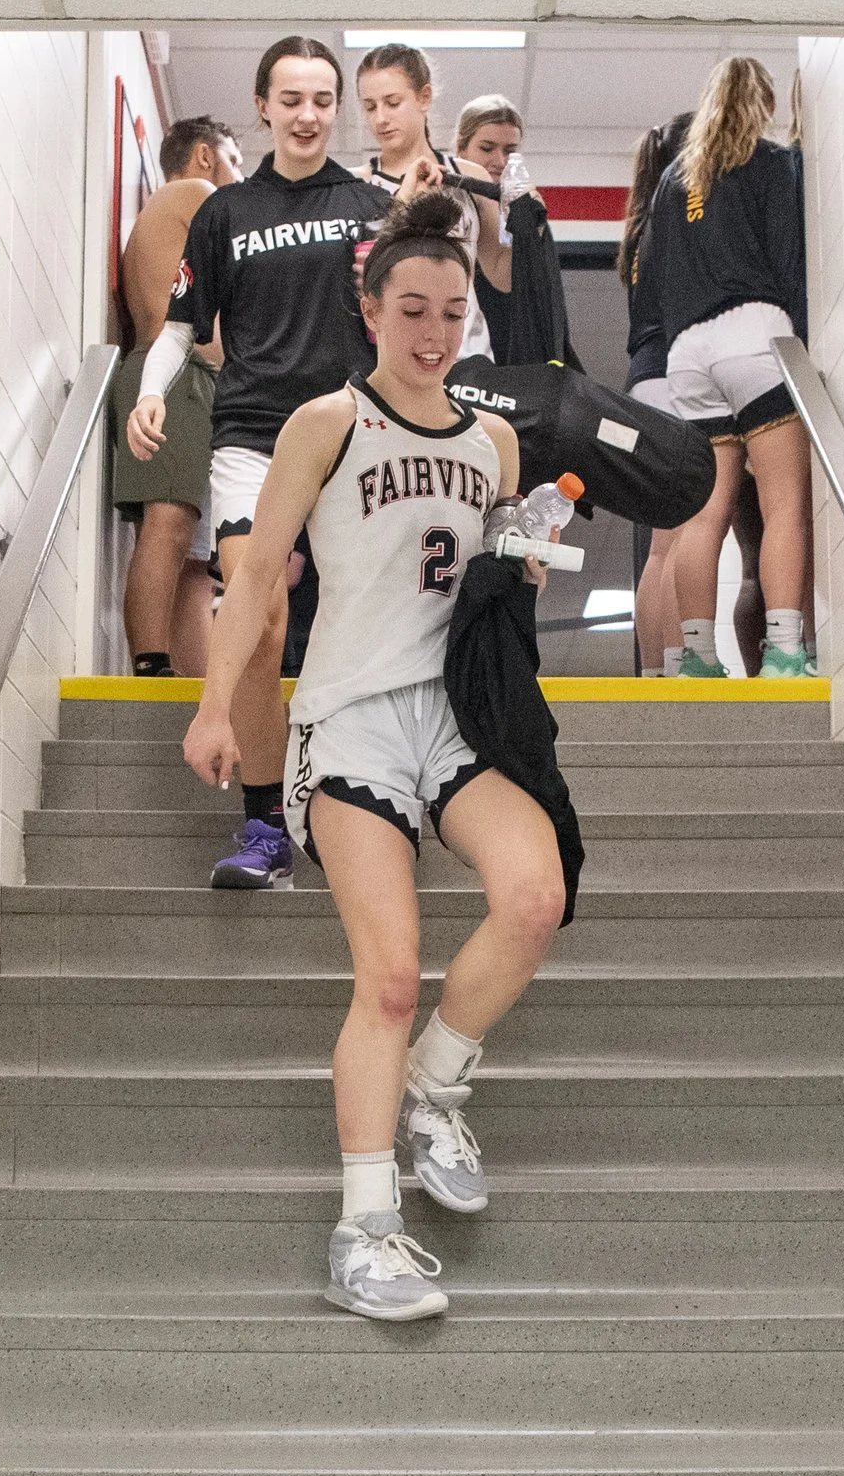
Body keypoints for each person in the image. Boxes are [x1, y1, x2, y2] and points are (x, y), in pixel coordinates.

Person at [182, 191, 565, 1323]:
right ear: (371, 309)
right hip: (348, 716)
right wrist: (214, 707)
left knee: (534, 896)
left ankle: (436, 1086)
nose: (433, 332)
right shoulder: (325, 422)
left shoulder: (495, 441)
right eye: (412, 310)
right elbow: (257, 575)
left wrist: (526, 554)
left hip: (456, 716)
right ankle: (363, 1230)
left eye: (451, 311)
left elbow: (496, 580)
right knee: (390, 976)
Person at [128, 36, 391, 890]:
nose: (307, 115)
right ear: (263, 106)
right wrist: (151, 393)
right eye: (291, 99)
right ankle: (266, 825)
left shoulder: (371, 206)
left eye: (322, 100)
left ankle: (373, 802)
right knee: (260, 618)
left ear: (336, 108)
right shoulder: (224, 212)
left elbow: (415, 322)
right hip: (249, 437)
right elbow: (179, 328)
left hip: (350, 434)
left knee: (367, 626)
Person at [642, 57, 814, 678]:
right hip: (754, 336)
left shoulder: (672, 181)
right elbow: (790, 260)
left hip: (687, 354)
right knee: (784, 504)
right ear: (763, 104)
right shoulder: (773, 163)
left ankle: (696, 656)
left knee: (704, 514)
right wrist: (804, 341)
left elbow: (656, 278)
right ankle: (784, 652)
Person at [113, 114, 241, 676]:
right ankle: (150, 664)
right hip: (176, 378)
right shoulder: (195, 192)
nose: (240, 176)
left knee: (194, 557)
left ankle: (191, 684)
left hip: (196, 383)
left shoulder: (167, 217)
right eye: (235, 160)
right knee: (169, 522)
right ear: (206, 156)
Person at [356, 44, 508, 366]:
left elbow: (501, 274)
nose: (380, 118)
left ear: (424, 97)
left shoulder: (470, 177)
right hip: (389, 362)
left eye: (392, 103)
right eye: (370, 107)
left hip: (465, 358)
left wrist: (526, 225)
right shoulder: (354, 184)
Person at [621, 111, 692, 674]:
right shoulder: (680, 220)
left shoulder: (641, 227)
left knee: (661, 544)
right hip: (673, 376)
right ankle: (675, 666)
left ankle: (654, 670)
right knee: (682, 536)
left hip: (643, 382)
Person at [454, 93, 528, 364]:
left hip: (498, 354)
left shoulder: (523, 211)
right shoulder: (446, 200)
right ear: (461, 149)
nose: (499, 161)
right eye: (487, 148)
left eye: (510, 151)